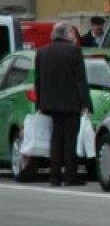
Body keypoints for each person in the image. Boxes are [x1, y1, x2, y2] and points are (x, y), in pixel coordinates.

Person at [35, 21, 92, 187]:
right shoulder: (74, 51)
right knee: (70, 140)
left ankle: (54, 176)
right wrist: (85, 103)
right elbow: (81, 80)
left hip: (50, 103)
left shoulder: (42, 52)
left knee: (55, 139)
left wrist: (39, 104)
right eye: (72, 33)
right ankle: (70, 176)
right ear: (67, 34)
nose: (73, 37)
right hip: (71, 103)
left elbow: (38, 80)